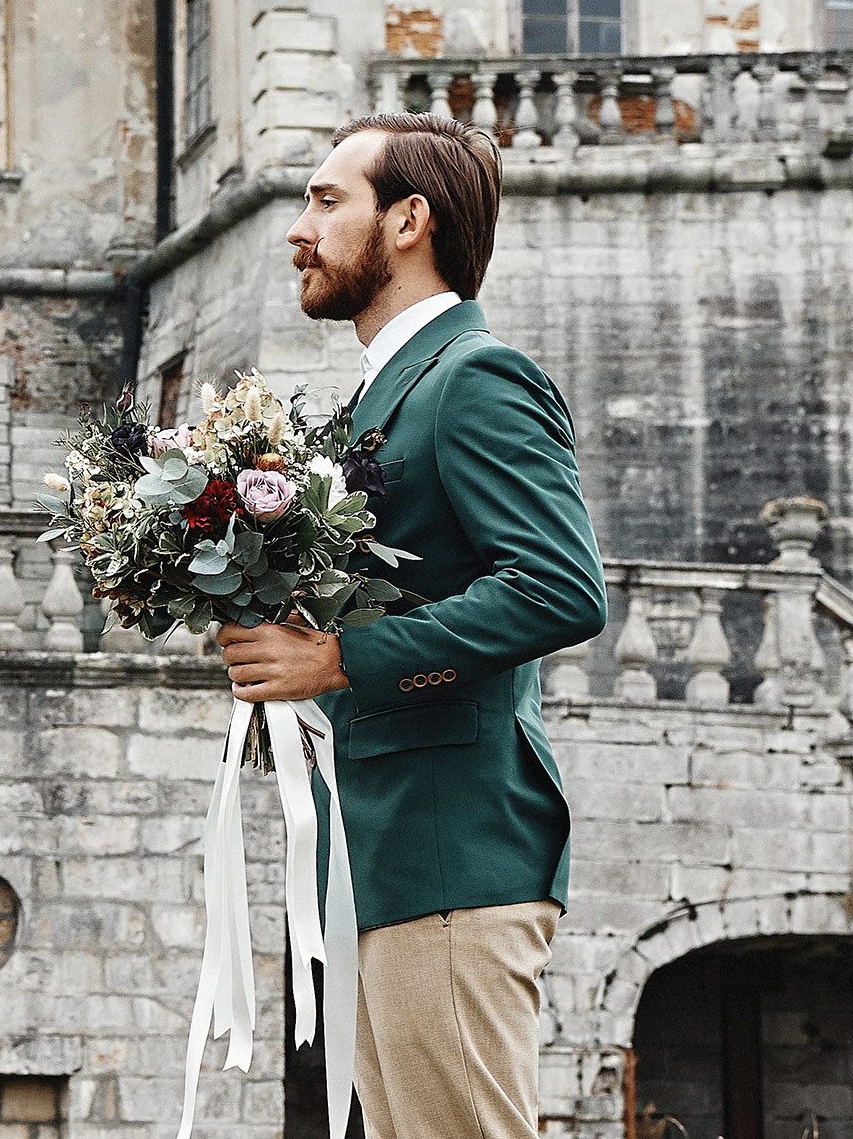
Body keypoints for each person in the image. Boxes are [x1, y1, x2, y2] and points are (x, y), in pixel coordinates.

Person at [212, 112, 608, 1138]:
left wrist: (339, 657)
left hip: (449, 848)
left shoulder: (475, 376)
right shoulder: (379, 397)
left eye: (325, 199)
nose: (298, 228)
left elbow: (559, 587)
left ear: (407, 221)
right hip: (381, 855)